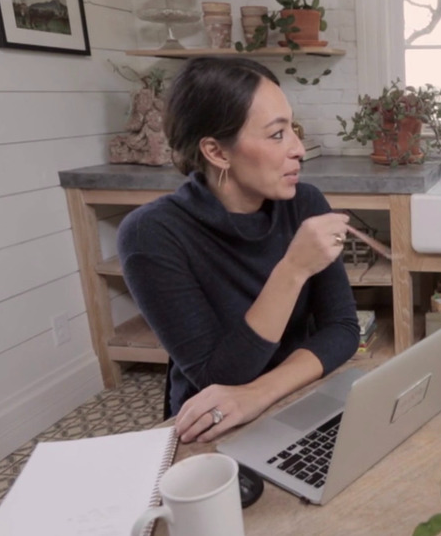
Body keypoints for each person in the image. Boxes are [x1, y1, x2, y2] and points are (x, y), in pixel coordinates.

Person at [118, 57, 359, 445]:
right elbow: (221, 377)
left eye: (292, 128)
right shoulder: (151, 235)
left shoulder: (305, 202)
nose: (298, 149)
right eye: (277, 134)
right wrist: (293, 269)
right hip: (215, 423)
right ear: (217, 152)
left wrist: (260, 394)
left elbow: (342, 329)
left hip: (297, 393)